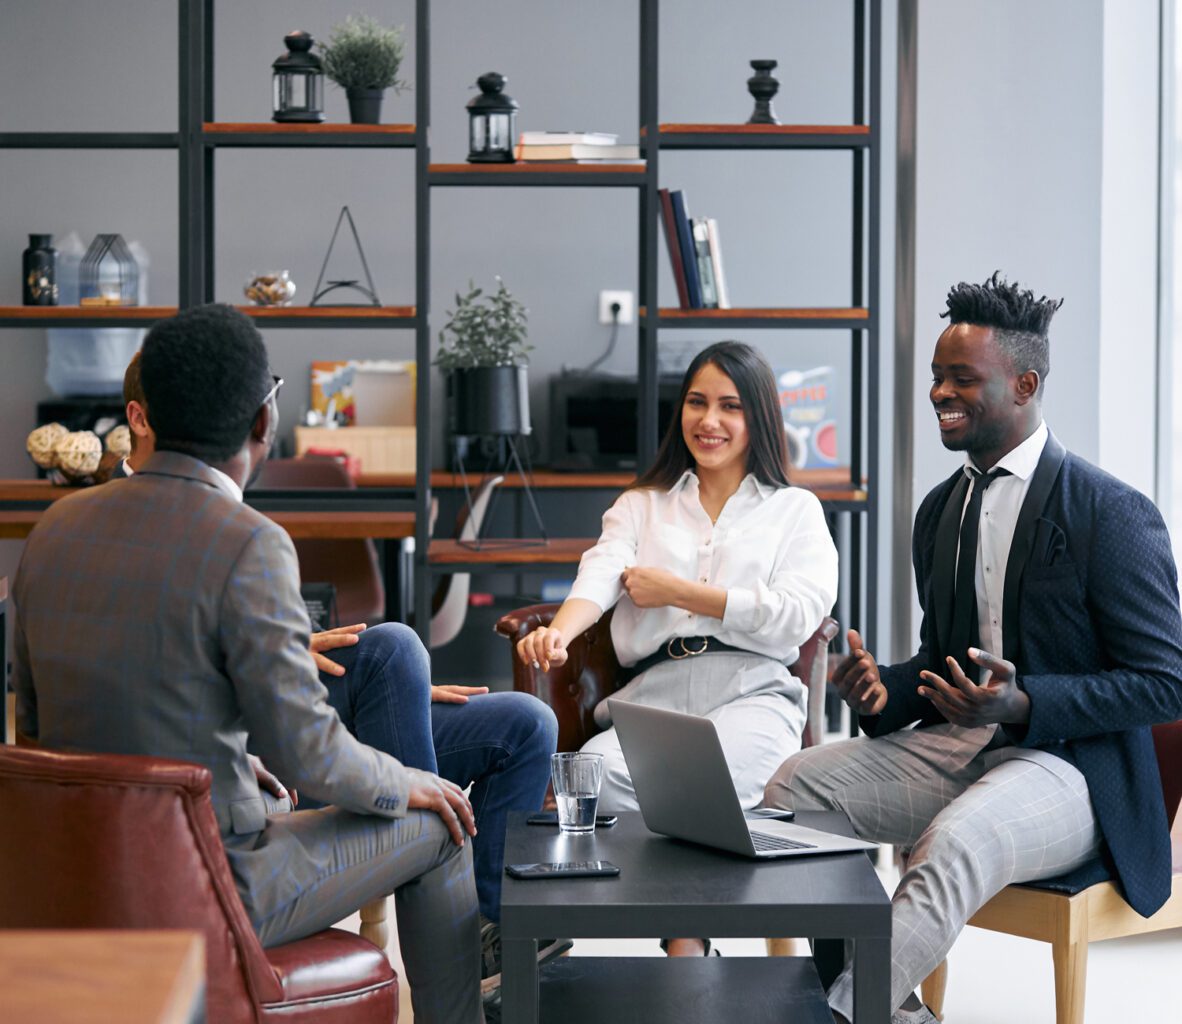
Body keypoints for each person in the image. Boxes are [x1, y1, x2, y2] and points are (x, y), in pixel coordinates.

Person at [13, 304, 486, 1023]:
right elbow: (313, 756)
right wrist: (411, 781)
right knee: (443, 822)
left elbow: (42, 730)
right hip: (210, 881)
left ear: (146, 414)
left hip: (82, 871)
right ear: (263, 424)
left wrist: (232, 776)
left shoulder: (53, 529)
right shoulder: (249, 541)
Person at [764, 272, 1182, 1024]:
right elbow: (941, 657)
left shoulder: (1111, 513)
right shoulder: (941, 510)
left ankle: (838, 1015)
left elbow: (1165, 682)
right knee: (796, 787)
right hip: (960, 748)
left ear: (1024, 384)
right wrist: (884, 690)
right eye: (936, 377)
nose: (938, 394)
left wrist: (1026, 702)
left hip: (1071, 768)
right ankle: (886, 1011)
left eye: (962, 379)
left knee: (953, 842)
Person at [116, 348, 562, 1000]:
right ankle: (461, 964)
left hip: (261, 719)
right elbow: (241, 715)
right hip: (236, 818)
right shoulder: (222, 531)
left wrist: (290, 651)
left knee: (510, 714)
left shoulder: (66, 536)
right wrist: (404, 781)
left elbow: (180, 663)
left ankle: (494, 936)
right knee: (431, 795)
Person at [517, 339, 839, 957]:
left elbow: (799, 614)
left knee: (716, 781)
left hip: (753, 689)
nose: (708, 421)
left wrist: (683, 591)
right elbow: (601, 572)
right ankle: (687, 937)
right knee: (594, 781)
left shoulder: (795, 511)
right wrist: (560, 631)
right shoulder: (642, 505)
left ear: (759, 419)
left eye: (729, 407)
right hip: (653, 697)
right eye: (696, 403)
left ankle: (685, 941)